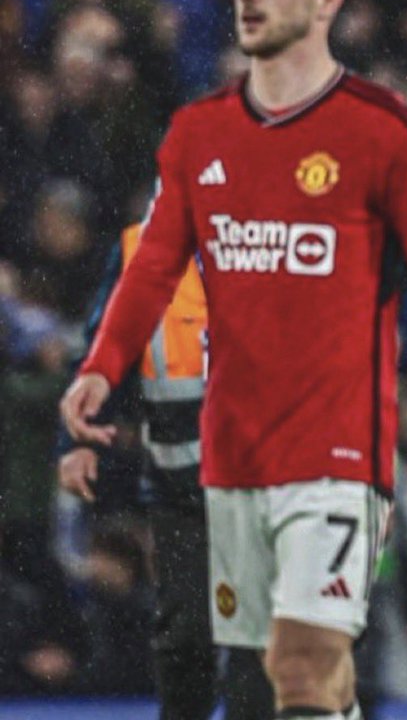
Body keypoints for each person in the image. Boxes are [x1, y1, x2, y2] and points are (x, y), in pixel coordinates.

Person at [61, 0, 407, 720]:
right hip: (229, 459)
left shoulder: (386, 131)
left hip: (338, 453)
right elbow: (153, 266)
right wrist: (100, 368)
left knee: (299, 666)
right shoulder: (198, 133)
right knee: (268, 689)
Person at [58, 223, 274, 720]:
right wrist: (79, 438)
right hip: (180, 484)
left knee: (255, 637)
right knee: (187, 637)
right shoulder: (141, 246)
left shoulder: (281, 232)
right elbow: (103, 343)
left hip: (265, 481)